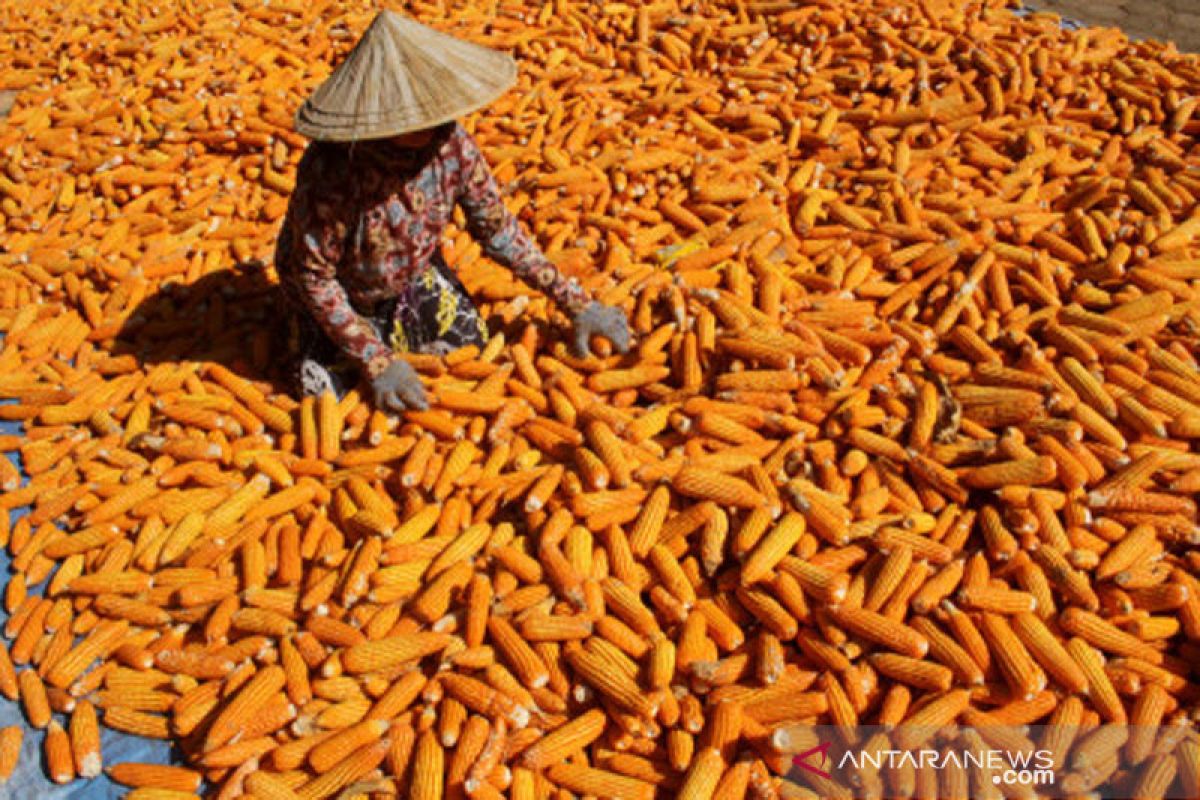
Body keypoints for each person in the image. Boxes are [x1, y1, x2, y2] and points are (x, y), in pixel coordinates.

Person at [274, 10, 631, 413]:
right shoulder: (332, 172)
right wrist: (376, 360)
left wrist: (576, 303)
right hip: (339, 290)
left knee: (469, 345)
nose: (430, 124)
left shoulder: (452, 147)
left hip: (409, 275)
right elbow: (315, 277)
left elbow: (498, 231)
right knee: (323, 395)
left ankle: (388, 329)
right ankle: (345, 336)